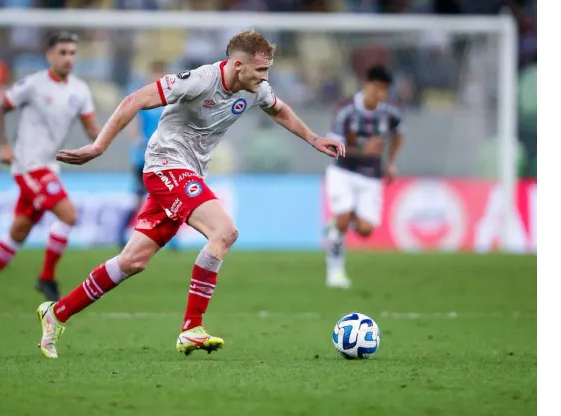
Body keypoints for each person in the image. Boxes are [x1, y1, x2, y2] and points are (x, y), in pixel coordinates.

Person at [36, 30, 345, 359]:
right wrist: (99, 146)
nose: (266, 78)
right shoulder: (198, 80)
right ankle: (191, 328)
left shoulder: (255, 89)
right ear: (238, 65)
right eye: (261, 70)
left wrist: (314, 139)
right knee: (224, 232)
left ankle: (56, 313)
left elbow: (279, 110)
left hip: (188, 174)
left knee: (133, 261)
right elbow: (135, 100)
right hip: (165, 167)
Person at [0, 31, 101, 310]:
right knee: (68, 214)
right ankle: (47, 278)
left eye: (72, 53)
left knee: (19, 230)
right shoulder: (33, 85)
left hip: (49, 167)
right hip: (28, 167)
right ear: (49, 55)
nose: (68, 58)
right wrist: (4, 145)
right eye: (62, 52)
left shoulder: (80, 90)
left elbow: (92, 129)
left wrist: (107, 139)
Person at [323, 65, 404, 289]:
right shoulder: (345, 109)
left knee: (366, 230)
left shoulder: (390, 111)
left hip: (371, 176)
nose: (381, 95)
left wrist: (391, 162)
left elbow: (399, 133)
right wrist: (363, 150)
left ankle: (341, 220)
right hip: (343, 171)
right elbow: (332, 145)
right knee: (342, 220)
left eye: (385, 90)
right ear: (366, 85)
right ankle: (335, 272)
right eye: (377, 88)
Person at [117, 61, 179, 251]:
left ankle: (172, 240)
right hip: (143, 158)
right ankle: (119, 234)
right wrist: (138, 141)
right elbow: (134, 122)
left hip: (165, 158)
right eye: (155, 75)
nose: (158, 80)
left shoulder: (171, 99)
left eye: (161, 76)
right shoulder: (144, 98)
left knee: (169, 199)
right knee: (138, 200)